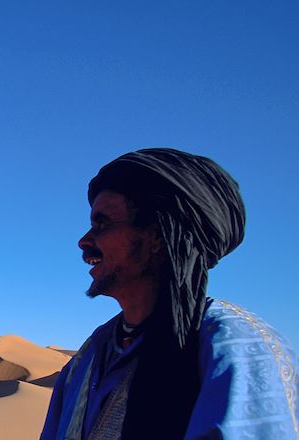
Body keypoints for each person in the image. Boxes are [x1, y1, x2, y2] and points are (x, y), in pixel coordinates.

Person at [40, 148, 299, 439]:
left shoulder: (236, 346)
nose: (84, 241)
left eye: (102, 223)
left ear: (158, 236)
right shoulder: (89, 356)